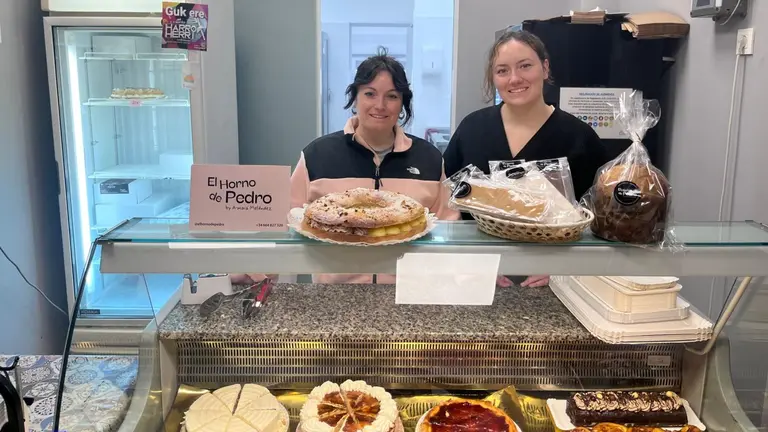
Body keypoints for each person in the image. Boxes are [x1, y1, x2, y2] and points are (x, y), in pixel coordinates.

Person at [234, 48, 459, 285]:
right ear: (355, 97)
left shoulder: (429, 159)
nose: (380, 105)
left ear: (403, 103)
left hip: (409, 292)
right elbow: (285, 224)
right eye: (370, 94)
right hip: (334, 296)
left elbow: (447, 230)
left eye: (392, 96)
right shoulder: (318, 155)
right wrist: (258, 270)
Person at [443, 30, 609, 288]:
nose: (514, 79)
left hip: (552, 285)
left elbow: (598, 219)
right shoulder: (473, 129)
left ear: (544, 67)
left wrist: (564, 270)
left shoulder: (579, 136)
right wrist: (470, 265)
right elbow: (449, 204)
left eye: (525, 66)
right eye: (502, 71)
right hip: (476, 279)